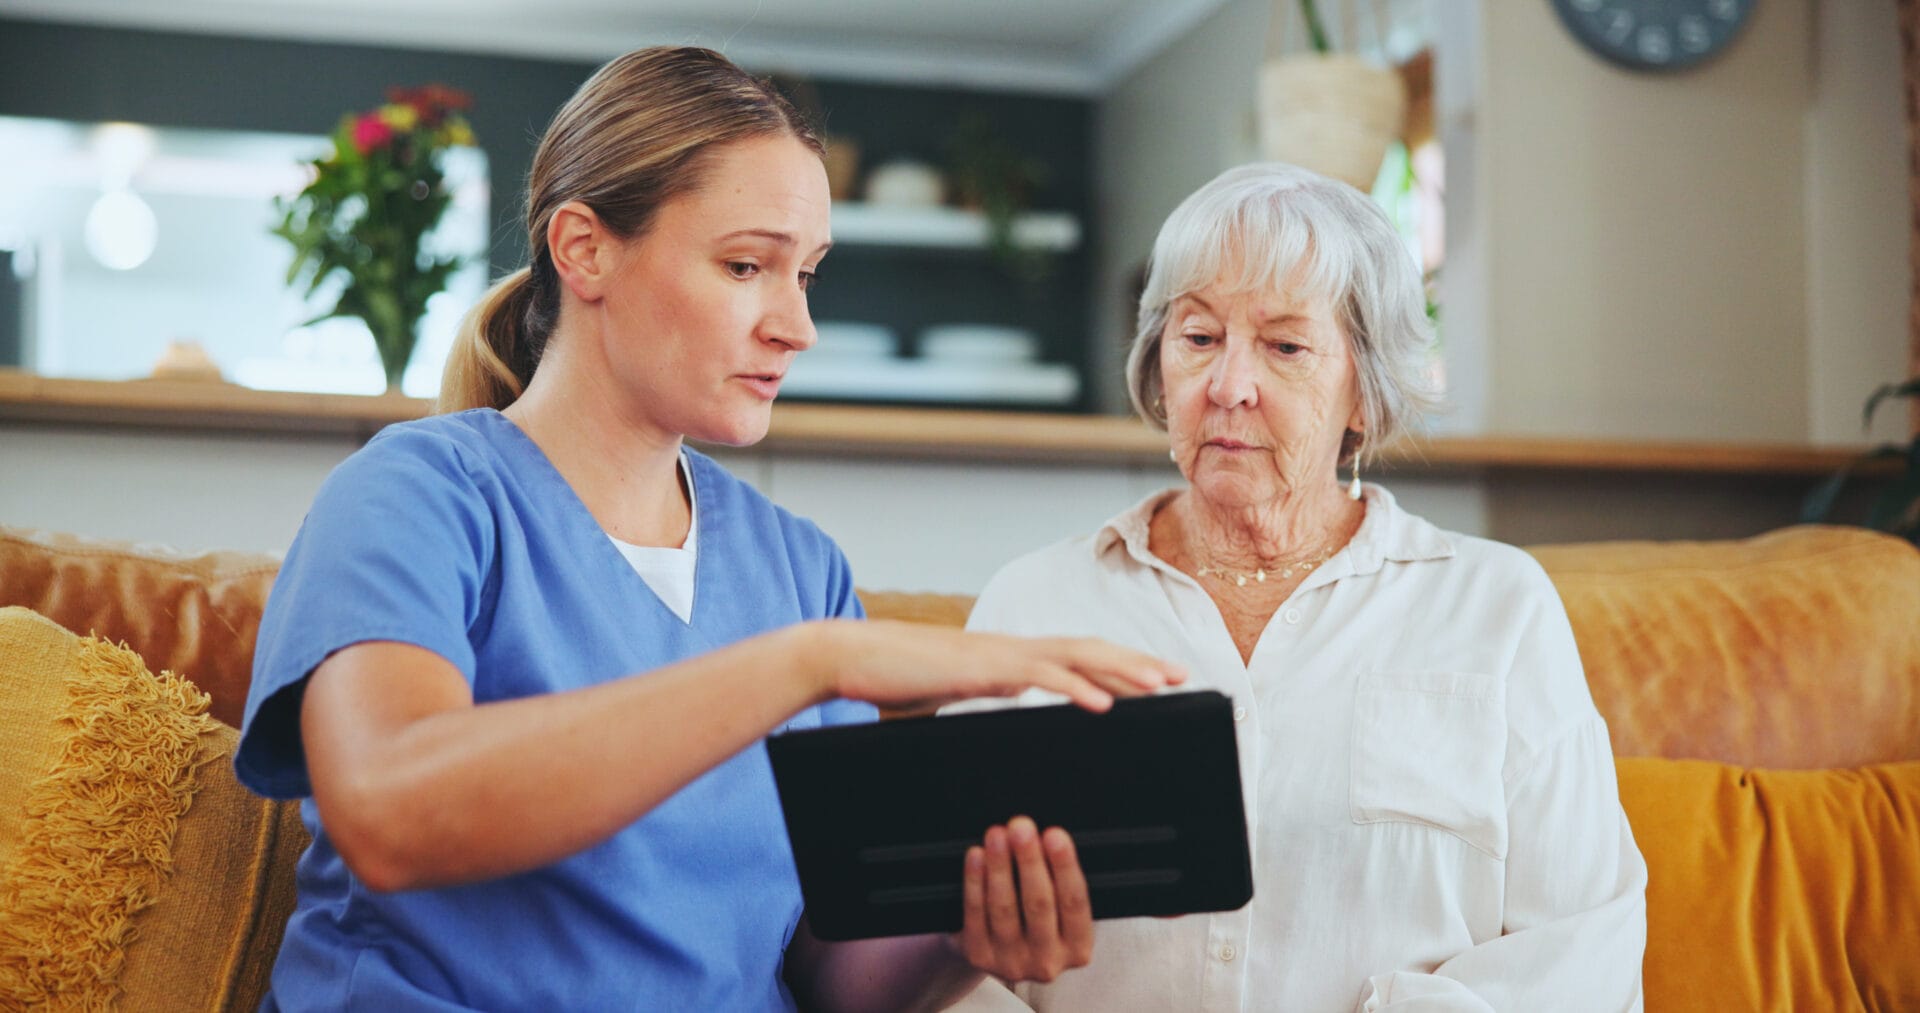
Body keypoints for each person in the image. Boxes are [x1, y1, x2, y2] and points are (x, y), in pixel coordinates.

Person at [234, 46, 1184, 1012]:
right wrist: (805, 664)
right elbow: (393, 813)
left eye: (807, 275)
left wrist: (963, 929)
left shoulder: (800, 567)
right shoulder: (417, 496)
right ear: (584, 248)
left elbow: (830, 971)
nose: (796, 325)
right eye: (746, 266)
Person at [948, 163, 1647, 1011]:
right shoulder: (1037, 602)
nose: (1229, 386)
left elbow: (1586, 949)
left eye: (1285, 347)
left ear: (1366, 392)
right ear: (1158, 366)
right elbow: (940, 939)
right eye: (1199, 338)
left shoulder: (1497, 607)